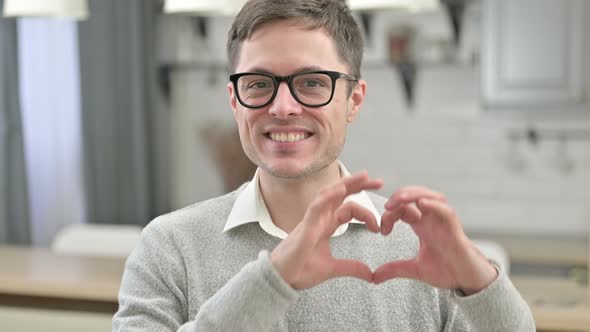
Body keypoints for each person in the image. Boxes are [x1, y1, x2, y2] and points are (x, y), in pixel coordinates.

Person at [113, 0, 535, 330]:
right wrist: (272, 280)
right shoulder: (169, 247)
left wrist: (479, 283)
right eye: (258, 84)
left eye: (312, 83)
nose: (282, 107)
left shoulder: (417, 247)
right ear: (234, 100)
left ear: (354, 100)